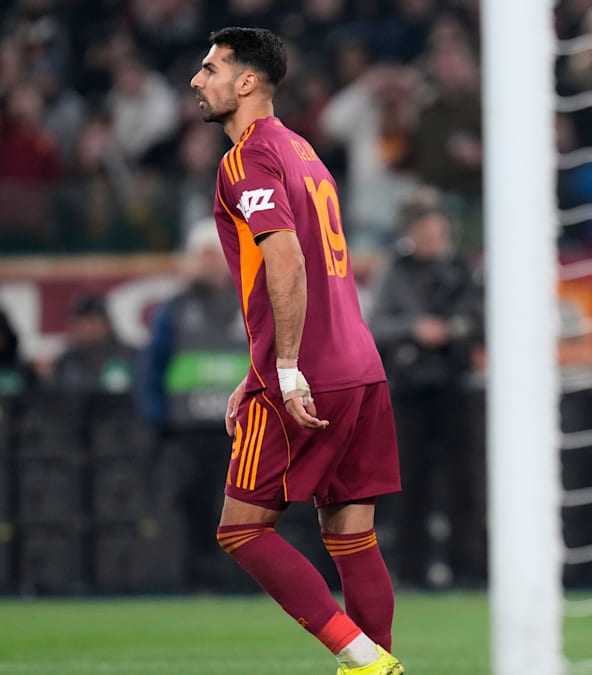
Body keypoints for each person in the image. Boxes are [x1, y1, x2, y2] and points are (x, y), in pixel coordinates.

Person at [189, 27, 403, 674]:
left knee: (242, 529)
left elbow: (284, 258)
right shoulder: (304, 151)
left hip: (307, 372)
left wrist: (283, 367)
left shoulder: (246, 159)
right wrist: (256, 367)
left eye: (210, 69)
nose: (197, 80)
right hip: (360, 367)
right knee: (351, 535)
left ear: (246, 81)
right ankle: (378, 664)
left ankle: (362, 658)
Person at [369, 203, 484, 588]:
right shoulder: (394, 271)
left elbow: (480, 319)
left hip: (455, 387)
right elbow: (377, 325)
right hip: (408, 390)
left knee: (464, 483)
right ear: (412, 235)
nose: (432, 241)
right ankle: (410, 570)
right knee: (407, 483)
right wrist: (413, 329)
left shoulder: (463, 271)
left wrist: (451, 330)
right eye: (425, 234)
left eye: (438, 235)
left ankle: (467, 569)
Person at [139, 223, 248, 591]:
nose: (208, 264)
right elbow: (152, 367)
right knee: (192, 508)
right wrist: (159, 420)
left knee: (239, 509)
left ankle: (236, 582)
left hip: (239, 432)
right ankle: (196, 578)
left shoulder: (250, 304)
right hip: (188, 431)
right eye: (202, 256)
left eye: (214, 256)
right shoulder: (174, 311)